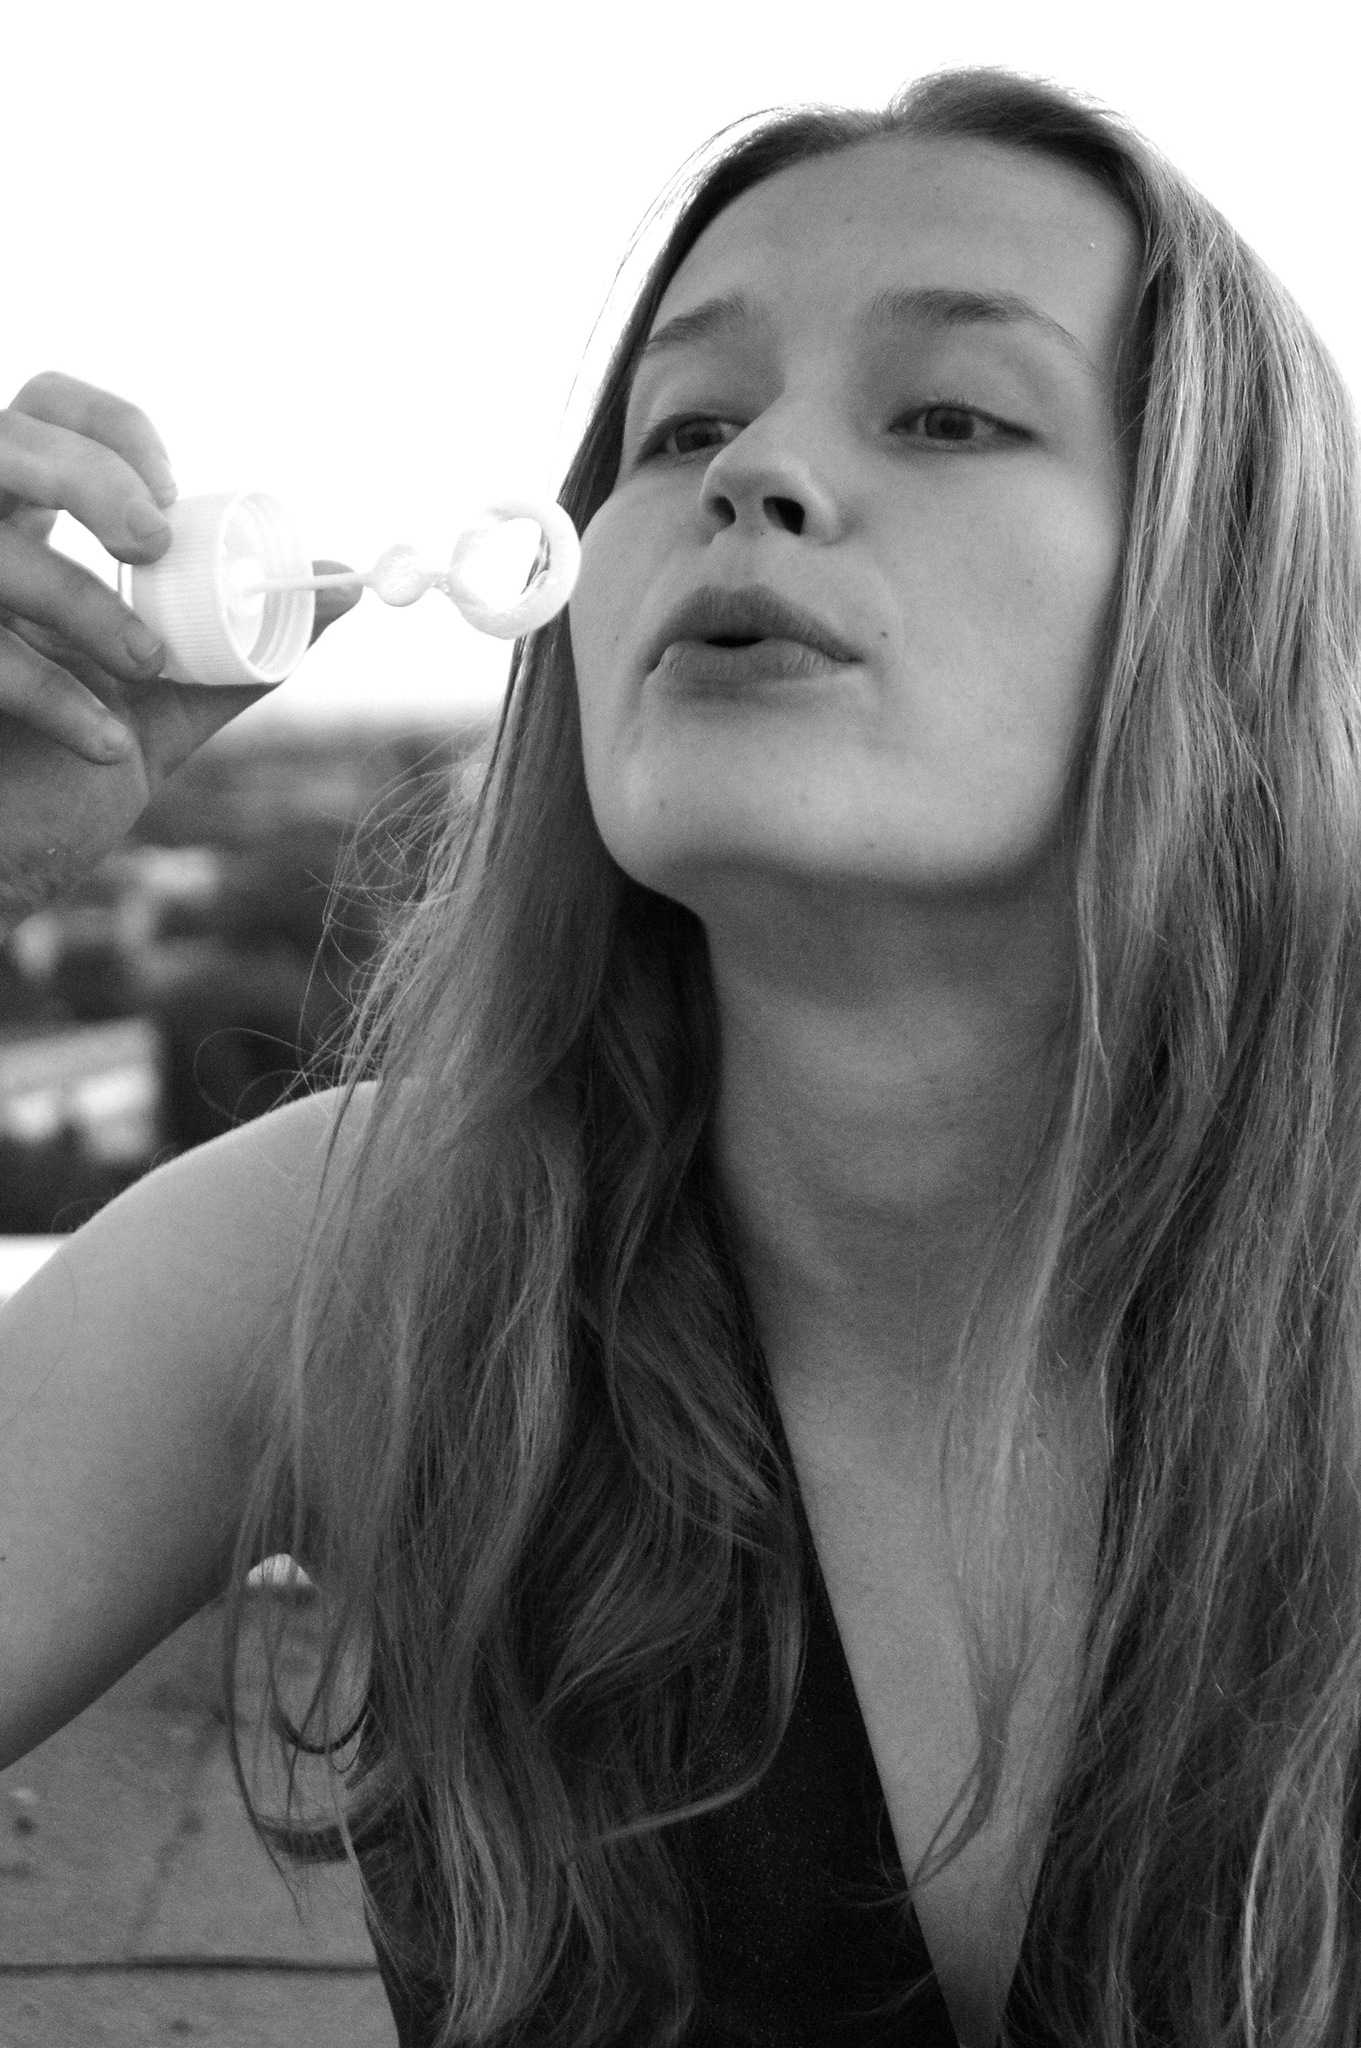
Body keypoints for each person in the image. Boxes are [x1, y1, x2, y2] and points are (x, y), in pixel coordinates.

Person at [2, 60, 1359, 2048]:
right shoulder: (359, 1254)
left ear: (1226, 593)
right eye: (685, 423)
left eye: (951, 412)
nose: (756, 470)